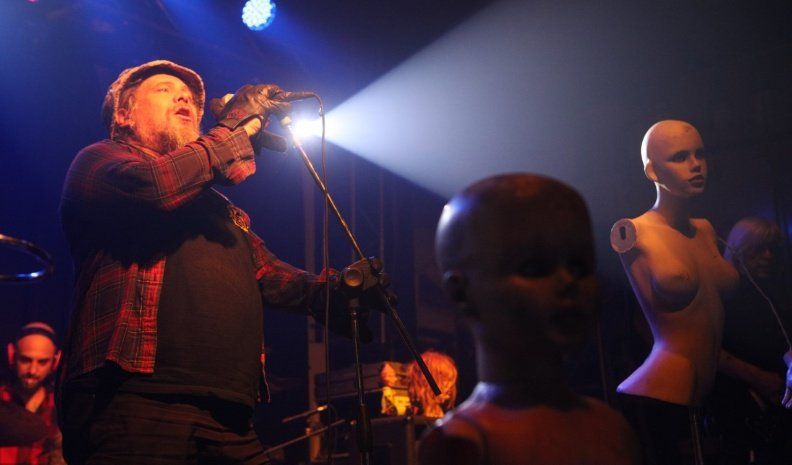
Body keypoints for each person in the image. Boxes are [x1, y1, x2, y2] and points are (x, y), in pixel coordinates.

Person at [58, 60, 366, 465]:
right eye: (165, 90)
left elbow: (266, 273)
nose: (183, 98)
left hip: (229, 413)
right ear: (124, 114)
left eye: (189, 97)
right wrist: (235, 126)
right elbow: (157, 186)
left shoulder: (219, 207)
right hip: (133, 401)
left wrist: (339, 290)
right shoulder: (100, 162)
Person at [420, 173, 640, 465]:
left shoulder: (613, 428)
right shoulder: (463, 441)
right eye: (534, 268)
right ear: (462, 294)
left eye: (580, 266)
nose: (568, 282)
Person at [610, 120, 739, 464]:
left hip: (710, 387)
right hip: (665, 384)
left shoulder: (705, 230)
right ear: (653, 170)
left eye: (700, 154)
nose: (696, 165)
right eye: (680, 157)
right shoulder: (634, 232)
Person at [710, 217, 792, 464]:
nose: (767, 256)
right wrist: (757, 378)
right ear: (739, 249)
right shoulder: (723, 294)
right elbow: (710, 350)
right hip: (743, 403)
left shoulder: (770, 290)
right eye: (758, 248)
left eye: (771, 248)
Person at [0, 322, 65, 465]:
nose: (32, 371)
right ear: (12, 355)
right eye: (25, 360)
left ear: (55, 361)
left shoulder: (61, 407)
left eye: (42, 362)